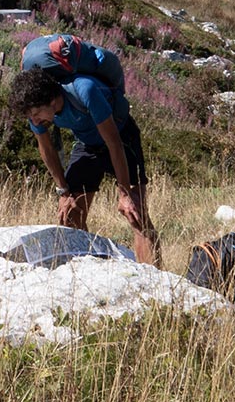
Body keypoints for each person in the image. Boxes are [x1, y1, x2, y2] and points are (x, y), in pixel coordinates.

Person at [10, 35, 160, 265]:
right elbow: (47, 150)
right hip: (87, 143)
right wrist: (64, 192)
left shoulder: (85, 90)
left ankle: (156, 283)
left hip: (121, 136)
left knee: (135, 213)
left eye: (37, 114)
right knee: (70, 215)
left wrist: (124, 193)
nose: (36, 121)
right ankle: (88, 271)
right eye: (31, 117)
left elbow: (114, 143)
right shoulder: (36, 109)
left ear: (51, 101)